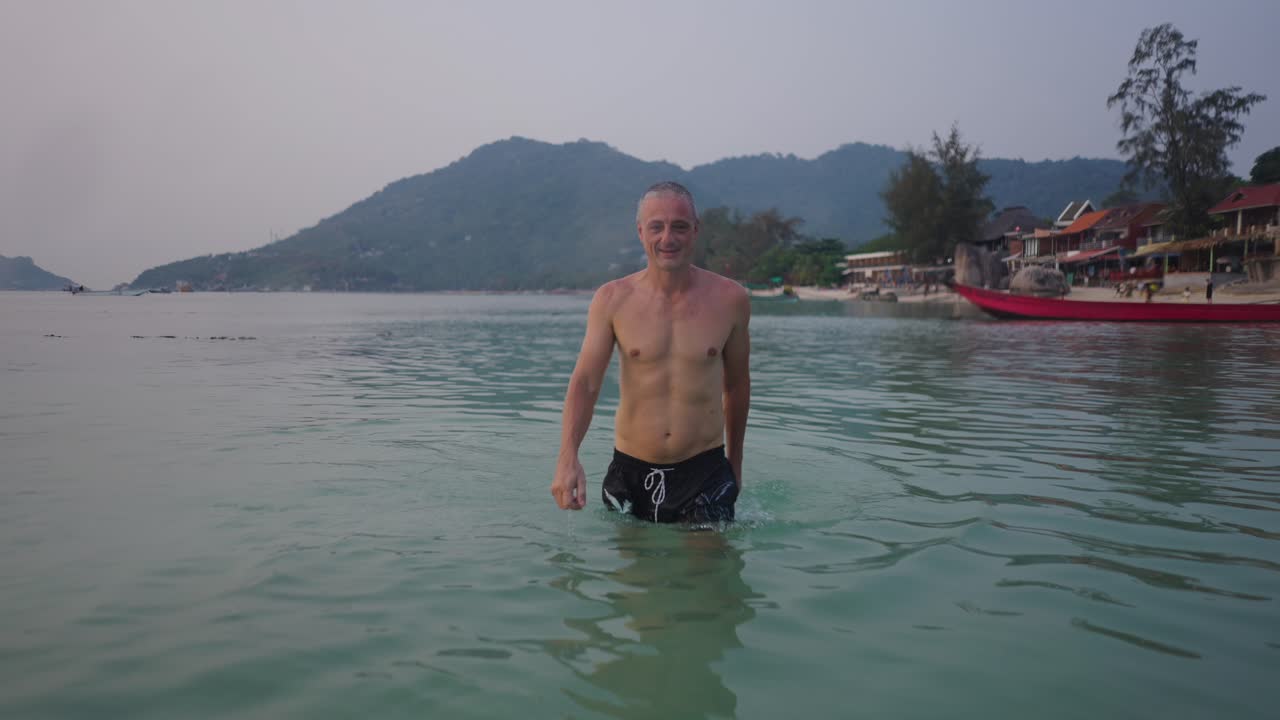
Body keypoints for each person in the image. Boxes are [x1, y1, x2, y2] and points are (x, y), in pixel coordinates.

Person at [551, 181, 751, 523]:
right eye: (656, 227)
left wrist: (735, 466)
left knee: (709, 576)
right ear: (641, 231)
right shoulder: (612, 300)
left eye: (679, 226)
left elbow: (736, 385)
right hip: (630, 473)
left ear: (695, 231)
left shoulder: (730, 300)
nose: (667, 238)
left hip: (705, 471)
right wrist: (568, 457)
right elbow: (585, 382)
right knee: (635, 577)